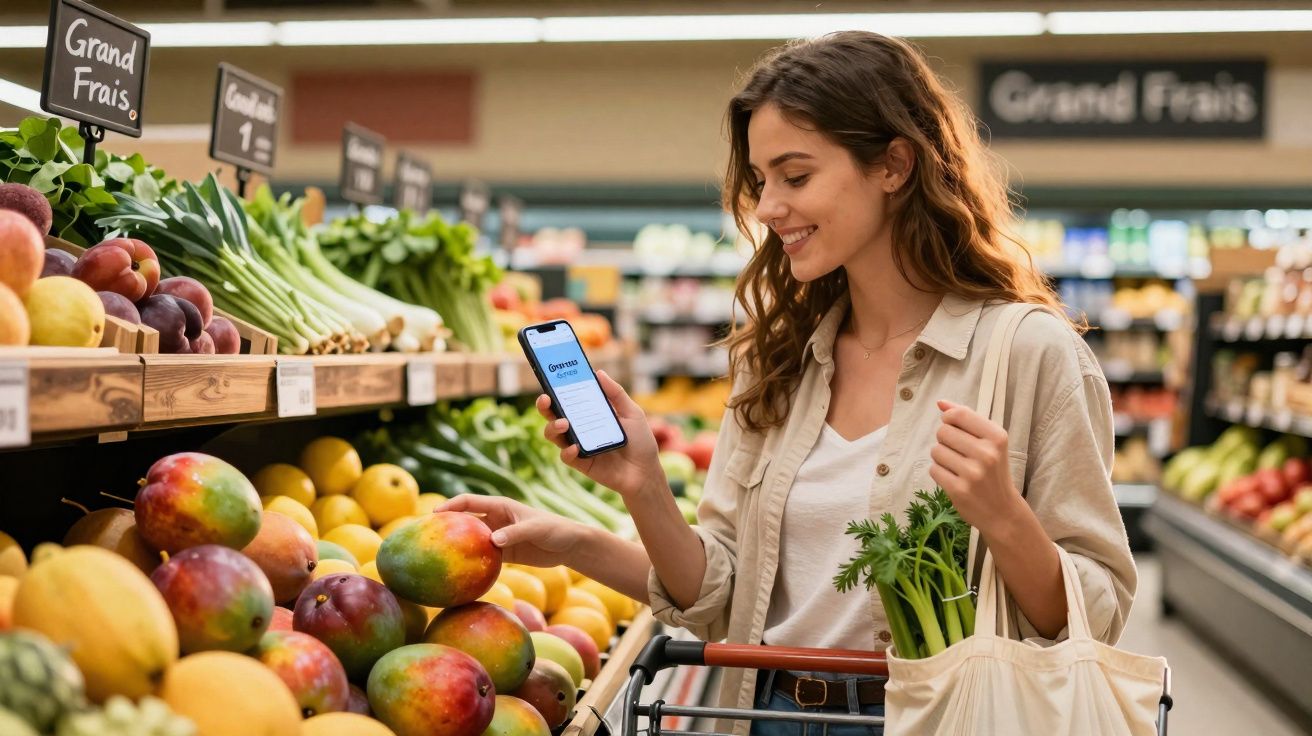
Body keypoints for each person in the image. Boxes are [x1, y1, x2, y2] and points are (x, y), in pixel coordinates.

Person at [441, 30, 1134, 736]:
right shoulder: (780, 358)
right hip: (760, 714)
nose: (768, 208)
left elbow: (1095, 610)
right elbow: (719, 597)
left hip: (941, 719)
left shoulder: (1027, 355)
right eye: (761, 181)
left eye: (795, 177)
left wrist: (1007, 521)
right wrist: (632, 493)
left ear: (894, 164)